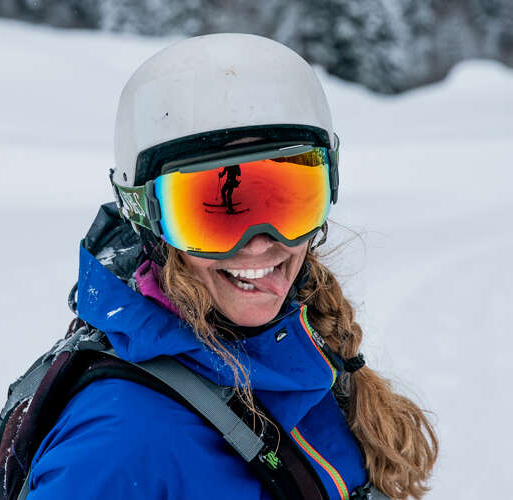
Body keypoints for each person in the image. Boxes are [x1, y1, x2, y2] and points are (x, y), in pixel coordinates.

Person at [26, 34, 438, 499]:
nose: (261, 244)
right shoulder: (118, 446)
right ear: (147, 218)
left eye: (285, 197)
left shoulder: (305, 357)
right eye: (213, 209)